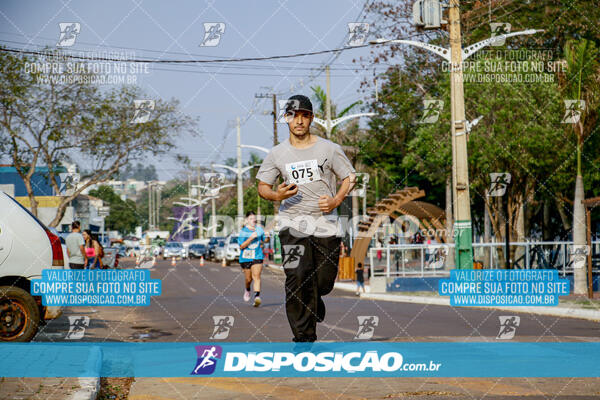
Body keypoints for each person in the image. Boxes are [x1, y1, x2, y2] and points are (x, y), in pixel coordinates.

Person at [256, 94, 356, 342]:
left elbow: (350, 178)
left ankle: (315, 299)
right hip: (292, 224)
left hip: (326, 226)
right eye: (293, 116)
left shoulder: (329, 149)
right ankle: (303, 338)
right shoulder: (277, 153)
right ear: (286, 119)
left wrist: (335, 201)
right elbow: (262, 187)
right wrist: (275, 194)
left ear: (311, 118)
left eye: (304, 115)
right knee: (297, 276)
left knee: (322, 282)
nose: (299, 121)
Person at [237, 211, 268, 307]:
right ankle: (247, 289)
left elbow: (265, 240)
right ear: (247, 220)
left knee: (256, 276)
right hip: (245, 258)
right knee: (248, 279)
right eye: (251, 218)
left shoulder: (259, 229)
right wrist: (251, 238)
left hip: (257, 256)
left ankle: (257, 297)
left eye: (254, 218)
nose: (253, 220)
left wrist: (267, 236)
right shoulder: (243, 231)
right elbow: (241, 246)